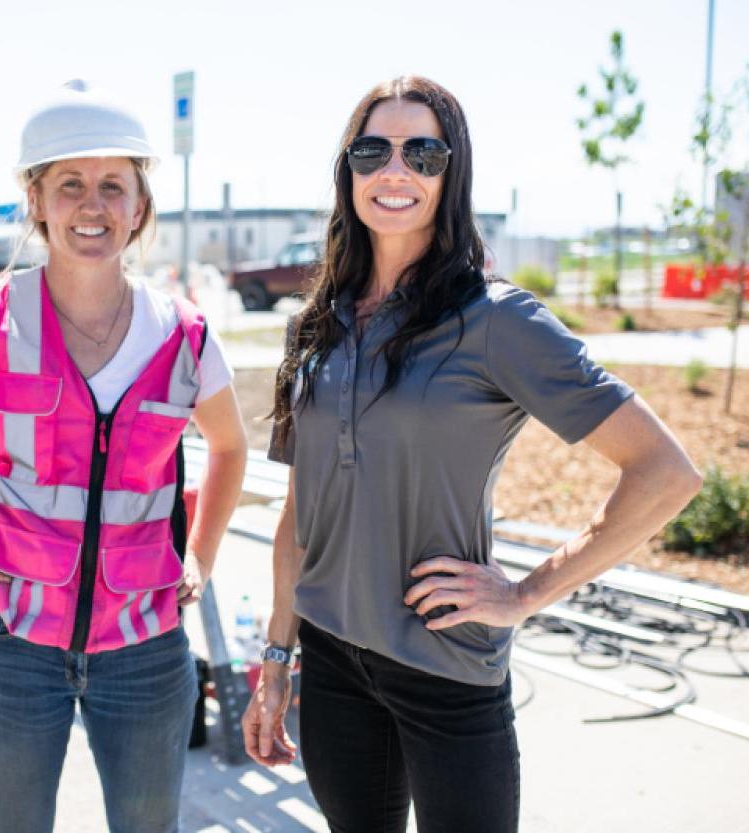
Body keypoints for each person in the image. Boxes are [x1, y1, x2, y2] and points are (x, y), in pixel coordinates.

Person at [241, 75, 702, 833]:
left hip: (447, 669)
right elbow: (300, 513)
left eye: (422, 151)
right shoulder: (316, 328)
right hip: (329, 663)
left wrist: (523, 593)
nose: (396, 170)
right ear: (348, 170)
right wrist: (275, 660)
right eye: (373, 150)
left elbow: (665, 471)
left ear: (451, 175)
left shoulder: (495, 320)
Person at [0, 81, 247, 833]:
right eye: (69, 183)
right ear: (36, 199)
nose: (93, 205)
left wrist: (200, 553)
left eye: (114, 185)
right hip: (14, 650)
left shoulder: (188, 334)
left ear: (140, 206)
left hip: (145, 649)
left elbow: (230, 445)